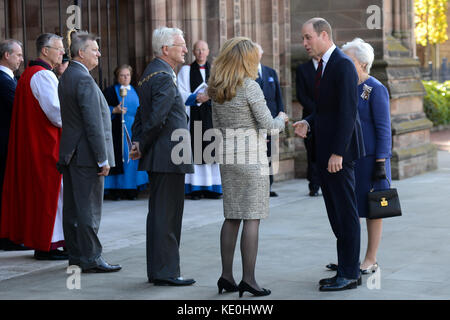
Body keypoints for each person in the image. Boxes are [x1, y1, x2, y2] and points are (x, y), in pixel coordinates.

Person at [208, 37, 288, 297]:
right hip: (252, 159)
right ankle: (249, 280)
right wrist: (282, 118)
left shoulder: (217, 88)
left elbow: (216, 127)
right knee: (252, 216)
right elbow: (270, 126)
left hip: (228, 159)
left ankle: (226, 277)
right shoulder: (250, 87)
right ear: (246, 59)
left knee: (231, 216)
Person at [293, 18, 365, 291]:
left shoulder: (343, 65)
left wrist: (338, 153)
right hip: (325, 152)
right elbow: (326, 109)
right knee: (336, 215)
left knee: (345, 214)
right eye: (303, 38)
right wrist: (308, 122)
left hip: (339, 156)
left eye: (308, 37)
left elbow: (348, 112)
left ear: (324, 35)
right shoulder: (324, 66)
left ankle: (349, 274)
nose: (305, 44)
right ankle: (346, 269)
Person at [130, 27, 195, 286]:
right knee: (167, 216)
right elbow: (156, 118)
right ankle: (166, 272)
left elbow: (141, 114)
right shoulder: (163, 76)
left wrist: (138, 141)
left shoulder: (151, 73)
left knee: (159, 214)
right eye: (181, 45)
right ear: (166, 49)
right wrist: (142, 143)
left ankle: (159, 270)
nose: (186, 49)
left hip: (163, 153)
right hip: (169, 154)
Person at [58, 30, 121, 273]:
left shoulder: (68, 75)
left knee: (74, 209)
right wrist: (102, 157)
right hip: (86, 155)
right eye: (94, 50)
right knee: (89, 209)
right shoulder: (82, 78)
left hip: (72, 153)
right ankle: (92, 258)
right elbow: (92, 123)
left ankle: (76, 256)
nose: (99, 53)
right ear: (81, 53)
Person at [0, 34, 67, 260]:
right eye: (59, 49)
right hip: (46, 144)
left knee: (45, 197)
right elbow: (57, 113)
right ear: (45, 51)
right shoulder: (43, 76)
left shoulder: (30, 74)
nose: (62, 53)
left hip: (37, 143)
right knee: (50, 197)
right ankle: (46, 245)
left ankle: (50, 243)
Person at [327, 38, 390, 274]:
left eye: (349, 60)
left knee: (373, 210)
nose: (343, 63)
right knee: (349, 210)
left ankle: (370, 259)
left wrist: (381, 162)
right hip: (351, 158)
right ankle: (348, 259)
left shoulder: (375, 88)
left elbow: (384, 128)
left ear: (362, 63)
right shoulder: (346, 87)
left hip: (372, 160)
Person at [177, 40, 222, 200]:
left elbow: (223, 91)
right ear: (193, 52)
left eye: (203, 49)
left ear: (208, 51)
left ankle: (213, 187)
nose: (201, 53)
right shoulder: (186, 70)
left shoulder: (217, 70)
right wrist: (197, 98)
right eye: (198, 50)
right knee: (196, 150)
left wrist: (210, 96)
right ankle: (196, 188)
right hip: (194, 114)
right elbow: (180, 92)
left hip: (212, 116)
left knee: (212, 150)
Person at [103, 64, 149, 200]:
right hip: (117, 131)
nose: (125, 78)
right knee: (120, 157)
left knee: (132, 158)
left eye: (127, 75)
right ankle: (116, 189)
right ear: (117, 77)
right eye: (122, 75)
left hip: (133, 130)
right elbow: (102, 108)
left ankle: (131, 189)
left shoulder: (136, 91)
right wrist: (114, 110)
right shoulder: (110, 91)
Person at [0, 39, 28, 251]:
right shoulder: (3, 80)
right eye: (18, 55)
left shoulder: (9, 79)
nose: (21, 59)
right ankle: (5, 237)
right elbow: (20, 108)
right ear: (6, 55)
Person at [254, 44, 285, 197]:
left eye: (258, 53)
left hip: (272, 118)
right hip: (257, 119)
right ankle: (259, 185)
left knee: (271, 153)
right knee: (259, 154)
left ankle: (269, 185)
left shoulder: (270, 72)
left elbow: (279, 95)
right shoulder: (248, 74)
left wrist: (282, 113)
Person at [295, 57, 321, 197]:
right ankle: (314, 185)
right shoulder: (302, 69)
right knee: (312, 152)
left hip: (328, 116)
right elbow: (301, 95)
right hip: (310, 116)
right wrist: (316, 111)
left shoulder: (332, 65)